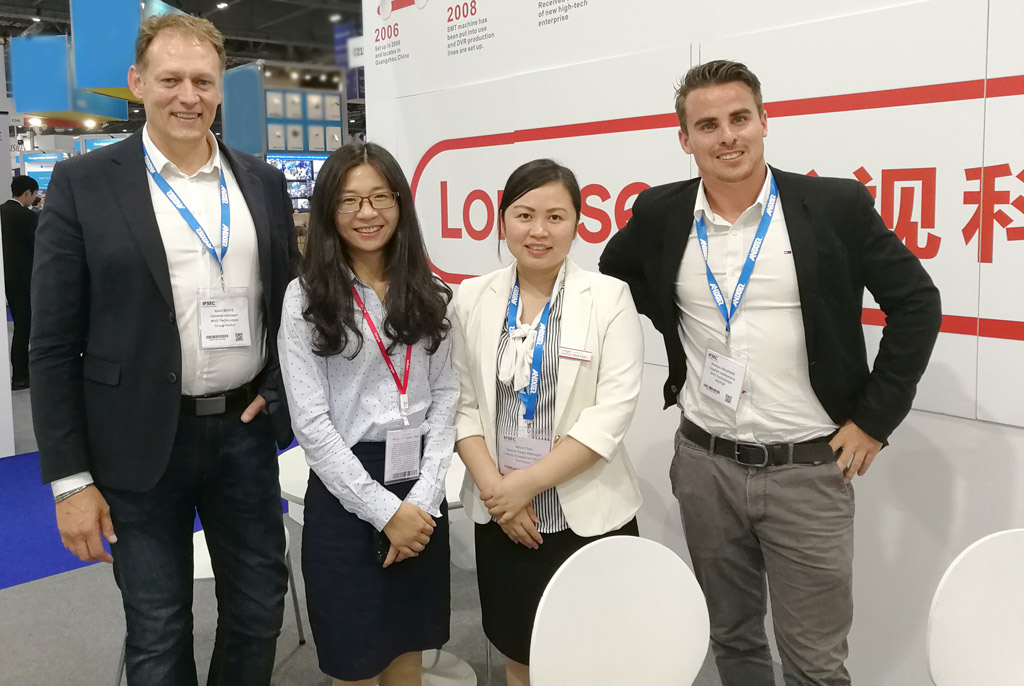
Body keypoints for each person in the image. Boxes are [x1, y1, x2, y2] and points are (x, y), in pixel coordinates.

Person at [599, 60, 942, 685]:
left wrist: (873, 421)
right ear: (685, 139)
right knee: (732, 641)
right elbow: (615, 275)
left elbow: (917, 304)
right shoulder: (660, 212)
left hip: (808, 470)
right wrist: (675, 328)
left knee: (814, 664)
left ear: (764, 121)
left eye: (739, 118)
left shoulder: (833, 206)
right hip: (705, 464)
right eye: (708, 125)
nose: (727, 136)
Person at [31, 14, 298, 685]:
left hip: (243, 435)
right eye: (171, 79)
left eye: (203, 81)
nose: (188, 96)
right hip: (136, 443)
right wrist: (70, 481)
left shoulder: (261, 183)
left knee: (258, 609)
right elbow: (53, 343)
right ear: (138, 82)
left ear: (220, 88)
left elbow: (290, 308)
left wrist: (278, 389)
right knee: (157, 628)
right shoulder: (85, 183)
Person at [452, 159, 645, 686]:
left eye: (555, 217)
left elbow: (611, 415)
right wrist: (499, 494)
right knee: (521, 652)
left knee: (593, 657)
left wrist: (525, 485)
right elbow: (461, 405)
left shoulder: (608, 298)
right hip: (503, 517)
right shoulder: (471, 297)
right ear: (503, 220)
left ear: (578, 223)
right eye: (525, 215)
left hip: (588, 514)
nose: (539, 230)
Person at [278, 141, 457, 686]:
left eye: (380, 197)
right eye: (350, 201)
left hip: (419, 488)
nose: (367, 213)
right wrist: (385, 512)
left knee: (408, 655)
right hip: (346, 493)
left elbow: (446, 395)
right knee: (354, 664)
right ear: (329, 211)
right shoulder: (304, 299)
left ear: (399, 203)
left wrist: (423, 500)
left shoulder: (431, 293)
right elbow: (311, 425)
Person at [1, 175, 38, 389]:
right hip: (23, 279)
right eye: (33, 195)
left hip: (4, 278)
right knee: (24, 326)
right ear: (27, 193)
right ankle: (21, 376)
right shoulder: (28, 217)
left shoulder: (1, 211)